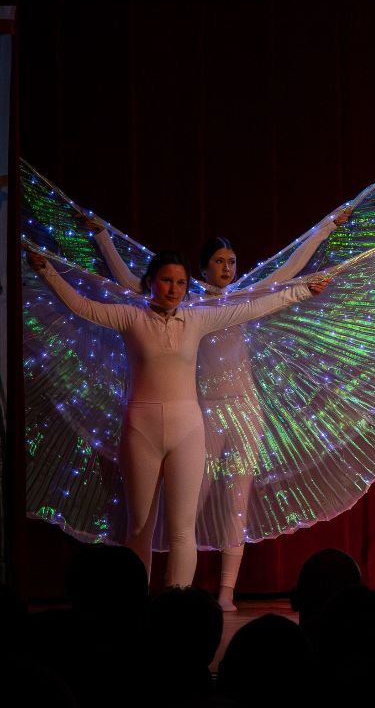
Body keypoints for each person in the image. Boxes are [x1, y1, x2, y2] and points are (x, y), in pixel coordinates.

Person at [84, 209, 349, 609]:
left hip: (245, 408)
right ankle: (167, 592)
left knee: (236, 503)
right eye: (220, 261)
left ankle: (226, 593)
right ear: (204, 268)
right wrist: (103, 238)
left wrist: (325, 229)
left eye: (232, 262)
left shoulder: (242, 297)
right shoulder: (187, 305)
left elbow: (290, 269)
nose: (228, 268)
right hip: (200, 413)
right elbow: (129, 283)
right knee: (185, 506)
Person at [25, 247, 328, 588]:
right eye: (166, 281)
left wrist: (302, 291)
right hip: (141, 430)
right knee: (139, 527)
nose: (174, 289)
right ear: (150, 282)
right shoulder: (131, 317)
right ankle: (137, 605)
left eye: (181, 283)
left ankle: (177, 606)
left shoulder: (197, 319)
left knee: (183, 529)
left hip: (188, 431)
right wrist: (47, 272)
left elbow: (251, 307)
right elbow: (82, 306)